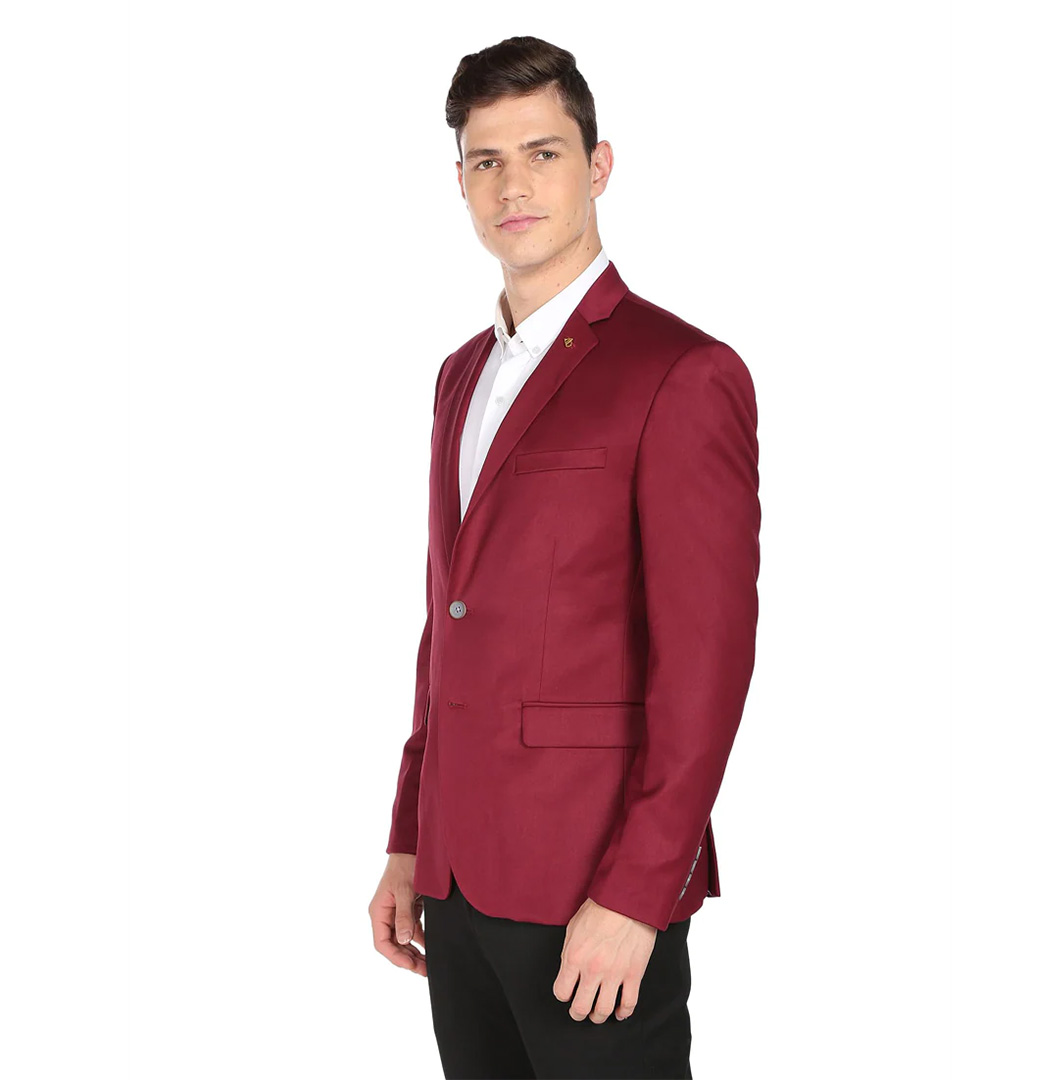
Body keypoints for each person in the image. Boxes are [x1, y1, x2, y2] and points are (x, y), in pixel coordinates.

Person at [368, 35, 760, 1080]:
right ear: (460, 182)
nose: (513, 186)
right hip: (456, 884)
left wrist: (640, 892)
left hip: (593, 890)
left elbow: (708, 662)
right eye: (486, 161)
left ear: (598, 166)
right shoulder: (459, 376)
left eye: (542, 153)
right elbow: (448, 621)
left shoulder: (681, 371)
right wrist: (409, 836)